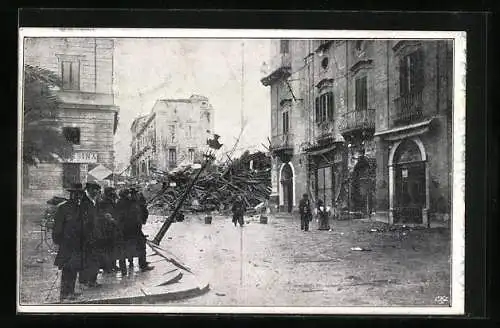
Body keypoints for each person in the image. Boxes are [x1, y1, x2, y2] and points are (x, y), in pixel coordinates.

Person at [52, 183, 85, 302]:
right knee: (67, 269)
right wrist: (58, 242)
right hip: (66, 244)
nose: (78, 197)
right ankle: (64, 294)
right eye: (76, 194)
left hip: (77, 243)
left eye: (80, 194)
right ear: (71, 194)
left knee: (75, 267)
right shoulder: (63, 208)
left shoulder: (79, 208)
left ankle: (71, 291)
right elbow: (57, 227)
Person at [78, 182, 103, 288]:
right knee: (86, 259)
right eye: (94, 189)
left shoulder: (94, 201)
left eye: (97, 190)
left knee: (94, 258)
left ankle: (93, 280)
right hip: (86, 236)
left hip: (95, 235)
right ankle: (85, 281)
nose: (96, 192)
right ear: (88, 189)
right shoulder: (83, 202)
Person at [98, 187, 120, 273]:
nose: (114, 193)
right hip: (106, 229)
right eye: (112, 192)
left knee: (113, 247)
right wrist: (107, 218)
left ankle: (112, 265)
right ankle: (107, 267)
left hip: (113, 227)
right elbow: (101, 214)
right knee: (107, 248)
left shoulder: (112, 201)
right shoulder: (103, 202)